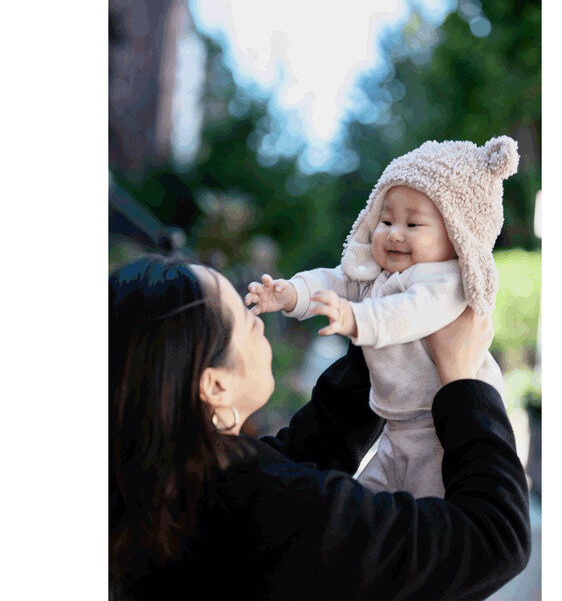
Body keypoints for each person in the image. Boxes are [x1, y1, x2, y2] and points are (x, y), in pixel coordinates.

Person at [109, 254, 530, 600]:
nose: (254, 320)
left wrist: (389, 328)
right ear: (215, 385)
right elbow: (493, 538)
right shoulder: (268, 508)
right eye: (238, 314)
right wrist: (462, 381)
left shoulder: (162, 493)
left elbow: (309, 448)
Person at [246, 136, 518, 498]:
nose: (394, 233)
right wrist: (293, 293)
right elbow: (337, 281)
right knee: (367, 497)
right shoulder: (380, 277)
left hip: (442, 432)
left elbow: (409, 313)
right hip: (397, 428)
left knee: (429, 514)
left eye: (413, 225)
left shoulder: (446, 280)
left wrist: (356, 319)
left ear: (456, 235)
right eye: (386, 220)